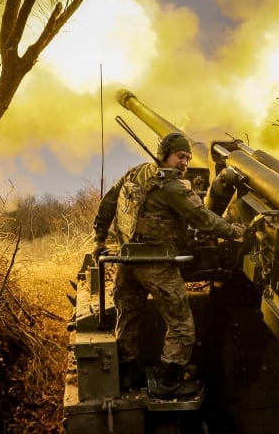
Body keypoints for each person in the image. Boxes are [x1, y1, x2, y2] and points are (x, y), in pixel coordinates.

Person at [92, 132, 244, 398]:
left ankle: (128, 372)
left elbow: (109, 202)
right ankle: (168, 379)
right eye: (180, 156)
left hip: (127, 261)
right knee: (182, 324)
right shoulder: (173, 188)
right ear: (165, 154)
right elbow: (203, 219)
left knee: (128, 317)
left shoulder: (135, 173)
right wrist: (235, 231)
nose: (184, 163)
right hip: (157, 264)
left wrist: (99, 239)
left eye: (187, 158)